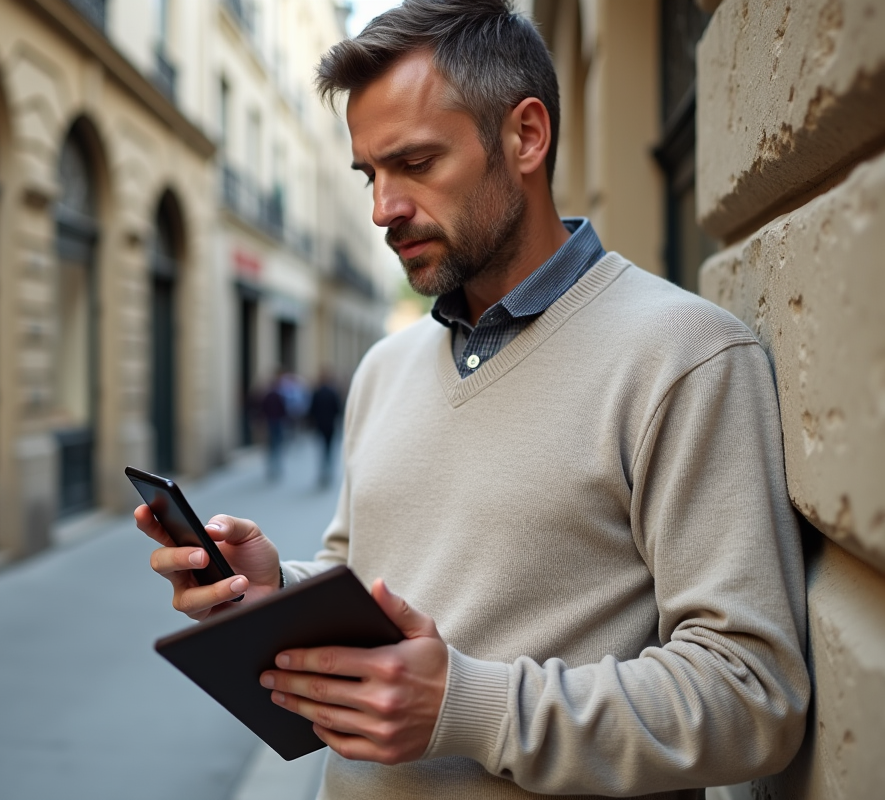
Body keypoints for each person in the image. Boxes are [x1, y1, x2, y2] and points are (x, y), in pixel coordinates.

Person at [135, 3, 808, 798]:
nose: (384, 207)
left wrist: (469, 708)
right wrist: (276, 587)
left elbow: (750, 694)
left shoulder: (685, 354)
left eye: (415, 163)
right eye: (370, 175)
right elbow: (370, 575)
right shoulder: (385, 367)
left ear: (526, 136)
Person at [307, 370, 342, 488]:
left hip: (320, 425)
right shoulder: (333, 393)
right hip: (330, 425)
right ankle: (329, 471)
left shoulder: (316, 393)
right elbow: (338, 409)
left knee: (322, 450)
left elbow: (311, 410)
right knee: (329, 449)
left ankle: (323, 472)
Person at [261, 369, 289, 481]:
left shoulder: (268, 396)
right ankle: (276, 467)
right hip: (277, 422)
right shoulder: (278, 396)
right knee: (277, 445)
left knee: (272, 446)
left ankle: (272, 467)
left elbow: (263, 410)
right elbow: (284, 410)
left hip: (271, 422)